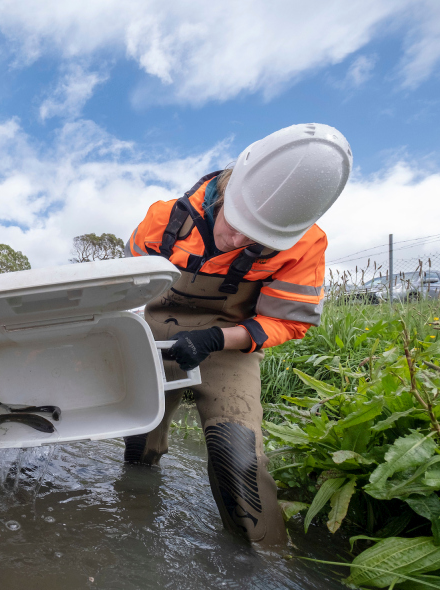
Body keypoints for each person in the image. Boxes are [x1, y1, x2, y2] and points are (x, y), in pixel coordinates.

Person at [124, 123, 352, 547]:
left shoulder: (306, 245)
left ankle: (262, 558)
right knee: (139, 441)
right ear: (228, 190)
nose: (240, 240)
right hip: (156, 336)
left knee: (237, 454)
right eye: (237, 224)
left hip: (232, 343)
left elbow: (288, 321)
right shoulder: (163, 219)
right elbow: (126, 290)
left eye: (260, 238)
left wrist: (215, 340)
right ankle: (136, 512)